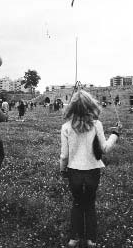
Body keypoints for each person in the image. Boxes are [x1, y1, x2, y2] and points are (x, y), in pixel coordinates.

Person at [60, 89, 121, 248]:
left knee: (77, 204)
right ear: (90, 106)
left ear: (72, 107)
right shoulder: (97, 125)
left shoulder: (66, 127)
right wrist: (115, 134)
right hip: (93, 171)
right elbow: (105, 148)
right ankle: (91, 240)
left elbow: (64, 156)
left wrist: (62, 170)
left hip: (74, 172)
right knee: (90, 205)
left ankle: (74, 238)